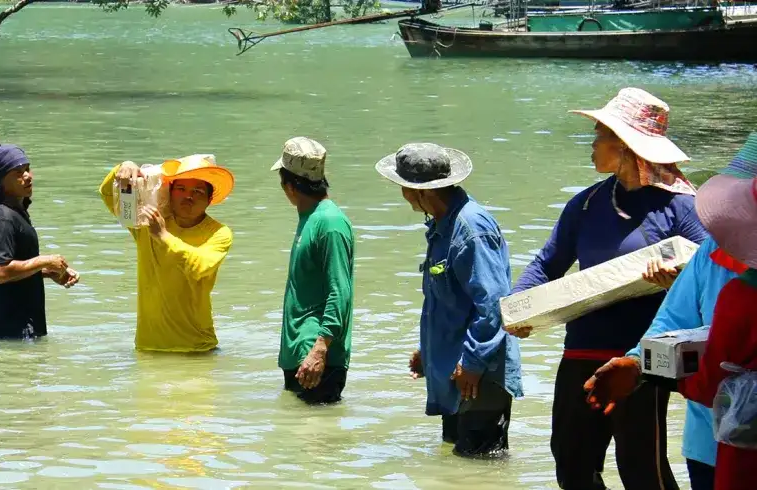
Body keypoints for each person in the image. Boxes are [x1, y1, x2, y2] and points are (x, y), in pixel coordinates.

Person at [508, 88, 707, 490]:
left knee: (642, 469)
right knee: (572, 465)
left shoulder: (681, 207)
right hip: (581, 348)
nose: (592, 145)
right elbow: (547, 263)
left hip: (640, 359)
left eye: (599, 136)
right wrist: (519, 308)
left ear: (626, 146)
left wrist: (675, 280)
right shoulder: (585, 204)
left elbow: (711, 274)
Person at [582, 137, 757, 490]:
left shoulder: (739, 295)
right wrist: (637, 363)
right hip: (710, 443)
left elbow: (707, 381)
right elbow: (673, 321)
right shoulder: (712, 253)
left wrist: (663, 377)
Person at [378, 142, 524, 458]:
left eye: (403, 186)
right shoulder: (442, 225)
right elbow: (450, 302)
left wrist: (472, 363)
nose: (402, 193)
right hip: (457, 373)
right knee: (459, 467)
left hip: (478, 375)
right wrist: (430, 351)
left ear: (421, 192)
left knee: (480, 466)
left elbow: (493, 306)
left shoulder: (470, 228)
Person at [96, 154, 235, 352]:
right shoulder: (146, 223)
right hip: (147, 347)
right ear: (170, 192)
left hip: (196, 348)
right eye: (181, 189)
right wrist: (122, 168)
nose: (188, 196)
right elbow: (109, 194)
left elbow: (199, 267)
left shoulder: (218, 232)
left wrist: (162, 236)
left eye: (197, 191)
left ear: (209, 199)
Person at [272, 137, 354, 404]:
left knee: (317, 430)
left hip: (317, 358)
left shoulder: (330, 223)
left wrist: (319, 349)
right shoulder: (310, 217)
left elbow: (339, 291)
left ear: (289, 185)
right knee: (299, 428)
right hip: (301, 354)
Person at [0, 145, 78, 339]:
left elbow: (15, 265)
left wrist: (48, 272)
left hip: (21, 327)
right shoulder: (4, 217)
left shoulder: (16, 212)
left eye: (27, 169)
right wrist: (44, 261)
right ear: (1, 181)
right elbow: (1, 272)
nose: (27, 176)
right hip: (13, 329)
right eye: (18, 172)